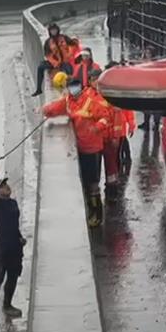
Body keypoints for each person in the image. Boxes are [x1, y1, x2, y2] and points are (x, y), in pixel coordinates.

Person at [42, 77, 112, 227]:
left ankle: (97, 215)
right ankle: (90, 211)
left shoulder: (90, 100)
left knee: (93, 184)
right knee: (86, 182)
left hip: (93, 148)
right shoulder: (69, 101)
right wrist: (43, 110)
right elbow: (56, 107)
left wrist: (96, 128)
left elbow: (105, 117)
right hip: (80, 147)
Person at [0, 163, 26, 328]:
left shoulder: (13, 204)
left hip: (15, 247)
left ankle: (7, 305)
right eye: (2, 186)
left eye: (6, 185)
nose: (6, 187)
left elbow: (14, 225)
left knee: (13, 277)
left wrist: (20, 238)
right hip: (1, 248)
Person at [33, 23, 79, 96]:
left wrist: (70, 53)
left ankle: (74, 91)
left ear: (57, 30)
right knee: (40, 67)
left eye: (55, 30)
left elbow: (73, 44)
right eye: (52, 30)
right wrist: (54, 63)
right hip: (55, 63)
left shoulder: (64, 37)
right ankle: (39, 89)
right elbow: (47, 55)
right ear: (49, 32)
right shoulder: (48, 42)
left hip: (65, 61)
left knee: (70, 72)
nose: (53, 32)